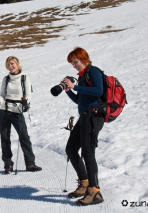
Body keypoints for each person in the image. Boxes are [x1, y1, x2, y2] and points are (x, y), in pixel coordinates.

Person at [63, 47, 105, 206]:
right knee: (71, 149)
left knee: (87, 151)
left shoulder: (93, 71)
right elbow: (79, 100)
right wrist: (69, 91)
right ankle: (84, 182)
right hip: (85, 115)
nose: (74, 65)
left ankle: (95, 191)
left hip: (94, 115)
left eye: (75, 62)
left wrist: (76, 87)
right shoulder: (82, 77)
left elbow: (98, 90)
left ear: (83, 58)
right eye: (72, 63)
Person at [0, 56, 42, 174]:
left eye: (12, 64)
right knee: (5, 138)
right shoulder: (6, 79)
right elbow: (2, 94)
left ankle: (30, 163)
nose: (10, 66)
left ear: (17, 64)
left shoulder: (24, 78)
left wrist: (26, 102)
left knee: (24, 137)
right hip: (4, 111)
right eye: (8, 64)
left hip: (17, 111)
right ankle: (8, 164)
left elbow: (28, 94)